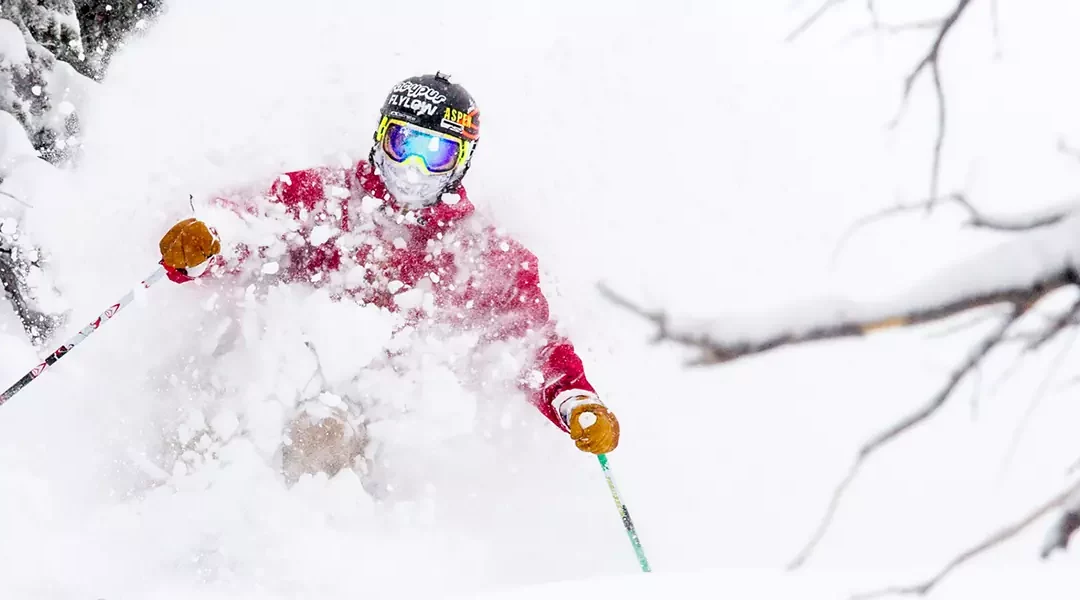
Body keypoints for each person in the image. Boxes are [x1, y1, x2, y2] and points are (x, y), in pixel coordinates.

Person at [157, 72, 619, 482]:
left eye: (434, 153)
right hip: (276, 371)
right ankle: (172, 521)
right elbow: (255, 222)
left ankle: (292, 553)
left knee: (320, 434)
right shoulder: (332, 198)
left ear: (461, 162)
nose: (413, 168)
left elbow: (529, 345)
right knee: (213, 410)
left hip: (376, 409)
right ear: (380, 138)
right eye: (404, 144)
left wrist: (574, 401)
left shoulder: (478, 252)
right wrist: (208, 240)